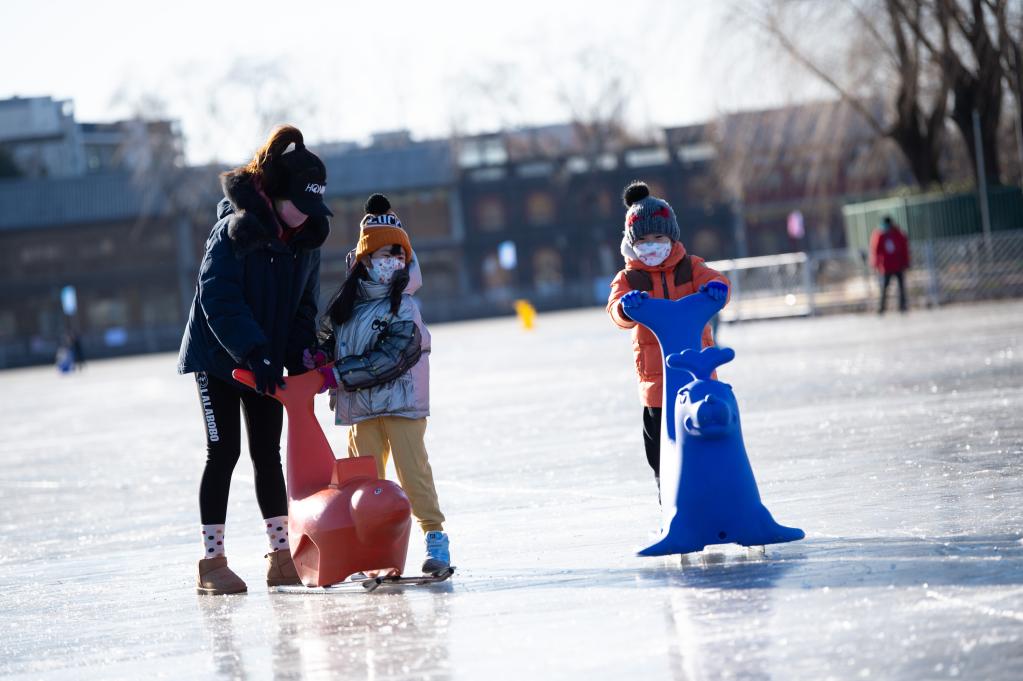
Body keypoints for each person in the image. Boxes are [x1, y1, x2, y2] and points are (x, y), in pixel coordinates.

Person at [177, 125, 332, 595]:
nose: (305, 219)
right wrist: (253, 351)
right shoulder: (233, 231)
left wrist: (303, 358)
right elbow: (217, 297)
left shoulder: (303, 243)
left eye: (312, 211)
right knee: (224, 452)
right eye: (299, 208)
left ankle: (281, 556)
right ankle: (212, 562)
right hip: (219, 357)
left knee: (268, 453)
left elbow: (303, 308)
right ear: (278, 195)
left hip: (263, 360)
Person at [311, 193, 451, 574]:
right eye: (383, 255)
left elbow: (392, 357)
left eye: (398, 255)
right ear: (364, 260)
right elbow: (329, 340)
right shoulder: (346, 306)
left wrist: (337, 375)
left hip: (402, 404)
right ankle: (376, 548)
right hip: (360, 410)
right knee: (365, 482)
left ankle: (435, 538)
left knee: (413, 473)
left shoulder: (404, 306)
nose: (392, 262)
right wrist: (318, 358)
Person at [606, 181, 729, 496]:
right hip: (656, 381)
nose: (651, 245)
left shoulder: (691, 267)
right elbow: (615, 310)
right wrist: (625, 307)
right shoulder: (629, 277)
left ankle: (713, 491)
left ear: (671, 236)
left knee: (703, 433)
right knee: (660, 444)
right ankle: (669, 493)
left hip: (696, 375)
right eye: (643, 239)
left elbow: (717, 282)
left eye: (658, 237)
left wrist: (717, 290)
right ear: (633, 243)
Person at [869, 215, 910, 314]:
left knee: (901, 287)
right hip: (886, 267)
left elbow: (904, 249)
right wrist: (875, 264)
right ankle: (882, 307)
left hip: (898, 265)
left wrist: (906, 262)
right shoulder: (879, 235)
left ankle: (902, 306)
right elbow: (875, 251)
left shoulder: (898, 234)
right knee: (884, 288)